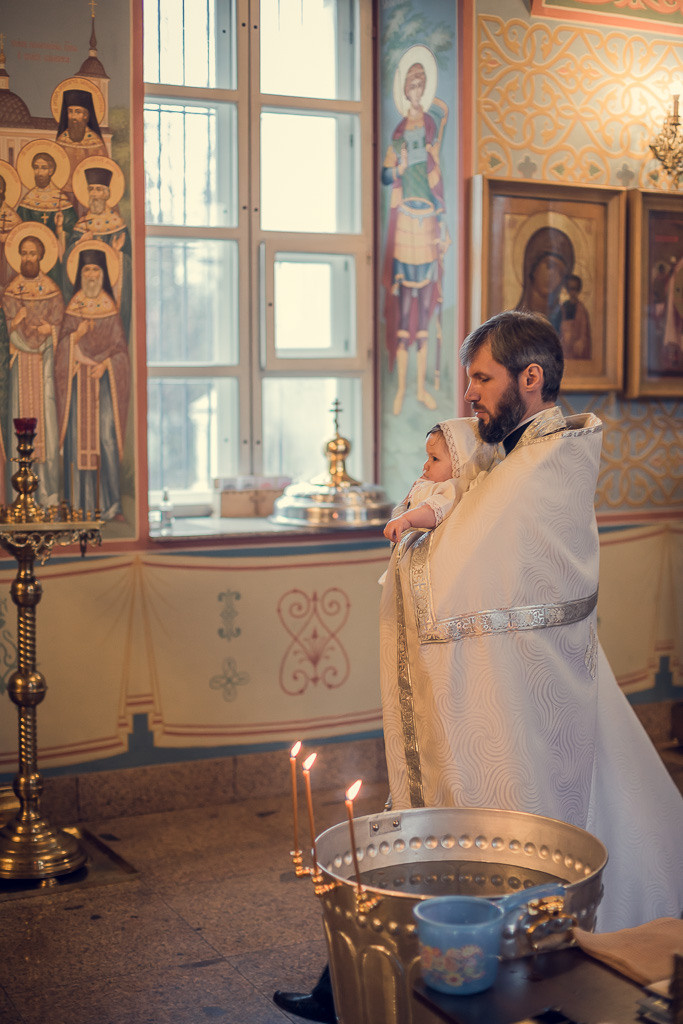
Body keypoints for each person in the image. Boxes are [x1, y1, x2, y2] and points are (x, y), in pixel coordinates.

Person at [274, 310, 683, 1022]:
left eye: (482, 378)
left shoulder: (547, 461)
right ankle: (353, 983)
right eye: (469, 378)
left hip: (524, 696)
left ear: (530, 378)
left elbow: (463, 572)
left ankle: (480, 985)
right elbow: (469, 513)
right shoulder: (513, 452)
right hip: (499, 684)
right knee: (441, 833)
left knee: (488, 842)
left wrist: (426, 532)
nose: (469, 393)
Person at [381, 59, 450, 416]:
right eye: (412, 87)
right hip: (405, 220)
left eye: (421, 86)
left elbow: (438, 183)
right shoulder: (397, 132)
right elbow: (385, 173)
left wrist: (445, 227)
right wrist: (400, 168)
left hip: (426, 224)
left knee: (424, 313)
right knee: (405, 309)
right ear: (405, 90)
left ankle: (421, 388)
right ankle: (401, 391)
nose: (417, 92)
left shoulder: (431, 126)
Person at [55, 244, 130, 519]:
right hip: (77, 384)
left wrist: (107, 365)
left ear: (103, 274)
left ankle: (111, 504)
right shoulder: (74, 307)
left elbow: (121, 349)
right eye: (86, 269)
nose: (90, 275)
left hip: (104, 385)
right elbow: (62, 345)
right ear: (80, 274)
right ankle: (78, 504)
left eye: (95, 269)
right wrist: (77, 336)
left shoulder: (109, 307)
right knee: (76, 441)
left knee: (106, 441)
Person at [1, 224, 63, 506]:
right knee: (19, 420)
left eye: (33, 254)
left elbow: (60, 326)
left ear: (41, 256)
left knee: (46, 429)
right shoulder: (11, 291)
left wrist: (49, 329)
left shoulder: (52, 291)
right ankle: (19, 495)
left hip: (44, 367)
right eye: (23, 253)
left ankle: (46, 494)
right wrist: (16, 320)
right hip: (19, 365)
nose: (28, 258)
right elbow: (7, 331)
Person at [383, 418, 500, 543]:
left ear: (459, 464)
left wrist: (405, 519)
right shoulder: (431, 484)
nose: (426, 465)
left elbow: (432, 511)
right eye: (428, 457)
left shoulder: (452, 487)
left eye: (435, 459)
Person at [515, 225, 574, 332]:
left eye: (560, 272)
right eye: (549, 266)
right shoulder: (512, 324)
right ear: (533, 266)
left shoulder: (564, 320)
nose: (553, 275)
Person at [560, 273, 592, 360]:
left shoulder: (581, 310)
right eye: (570, 289)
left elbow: (584, 331)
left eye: (575, 289)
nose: (572, 292)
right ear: (567, 289)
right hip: (565, 345)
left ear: (578, 290)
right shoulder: (563, 307)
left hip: (576, 347)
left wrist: (580, 341)